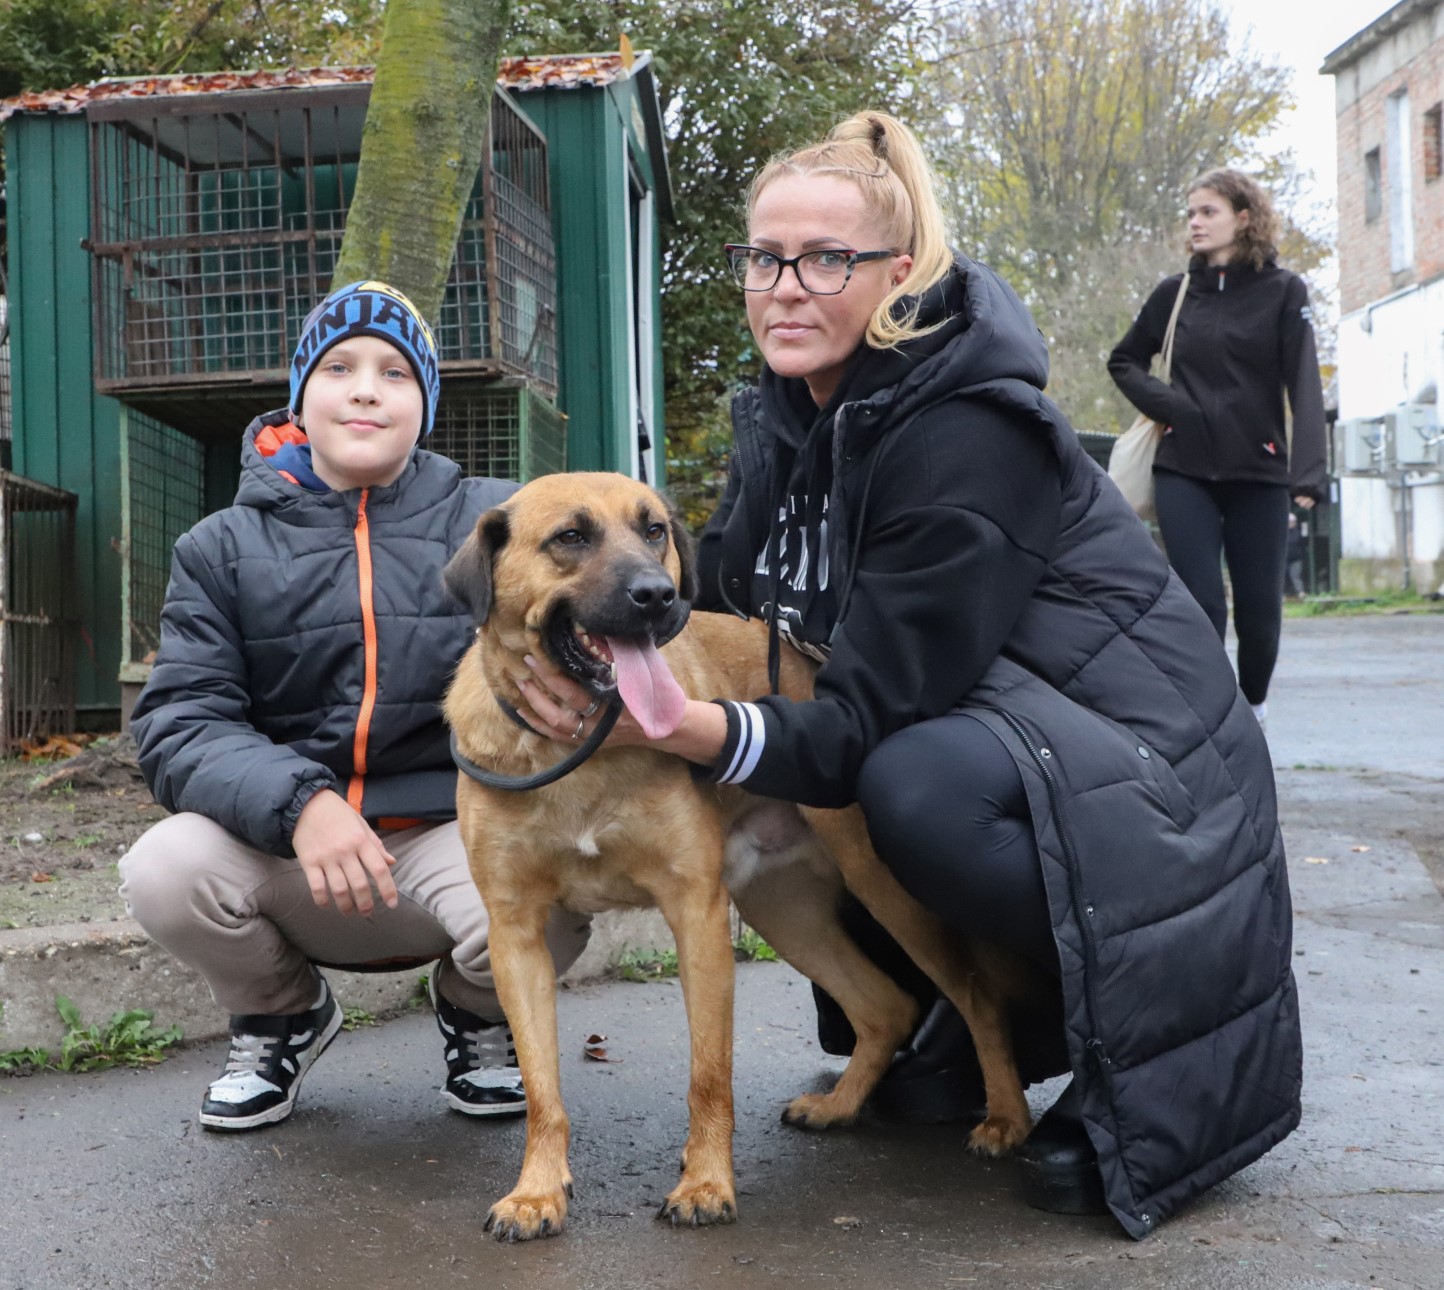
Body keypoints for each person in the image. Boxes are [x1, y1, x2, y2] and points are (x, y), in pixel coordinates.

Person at [512, 113, 1301, 1238]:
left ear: (900, 272)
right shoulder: (793, 412)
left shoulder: (966, 430)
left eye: (826, 259)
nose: (785, 288)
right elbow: (714, 589)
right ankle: (946, 1021)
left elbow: (861, 719)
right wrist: (546, 624)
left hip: (1150, 769)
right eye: (763, 258)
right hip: (1015, 725)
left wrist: (682, 727)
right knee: (885, 775)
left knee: (907, 787)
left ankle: (1123, 1050)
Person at [122, 281, 589, 1133]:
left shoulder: (498, 523)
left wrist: (572, 697)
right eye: (338, 368)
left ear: (425, 405)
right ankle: (281, 1014)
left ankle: (479, 1013)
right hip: (294, 856)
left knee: (554, 895)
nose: (366, 389)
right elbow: (181, 723)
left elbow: (576, 635)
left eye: (395, 373)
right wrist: (303, 804)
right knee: (164, 869)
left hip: (457, 837)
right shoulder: (219, 548)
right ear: (301, 396)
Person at [1108, 169, 1328, 729]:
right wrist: (1173, 406)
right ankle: (1211, 721)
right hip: (1184, 470)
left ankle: (1252, 710)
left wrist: (1308, 473)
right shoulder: (1176, 293)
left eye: (1208, 212)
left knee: (1260, 616)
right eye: (1191, 213)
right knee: (1200, 603)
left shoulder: (1284, 291)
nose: (1195, 223)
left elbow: (1304, 381)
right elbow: (1124, 360)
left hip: (1259, 471)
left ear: (1243, 218)